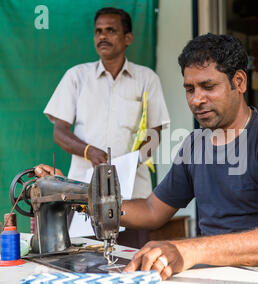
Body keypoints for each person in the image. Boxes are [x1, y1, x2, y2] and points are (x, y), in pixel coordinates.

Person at [35, 33, 258, 282]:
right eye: (189, 88)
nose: (196, 99)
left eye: (208, 87)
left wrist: (189, 250)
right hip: (220, 268)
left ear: (239, 82)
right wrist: (76, 195)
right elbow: (151, 210)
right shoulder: (195, 145)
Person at [43, 7, 170, 199]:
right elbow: (60, 133)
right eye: (98, 31)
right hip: (84, 189)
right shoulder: (76, 76)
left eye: (111, 30)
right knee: (84, 230)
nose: (103, 36)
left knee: (136, 230)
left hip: (133, 190)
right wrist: (89, 151)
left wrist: (128, 165)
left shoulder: (147, 78)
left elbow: (155, 133)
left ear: (128, 38)